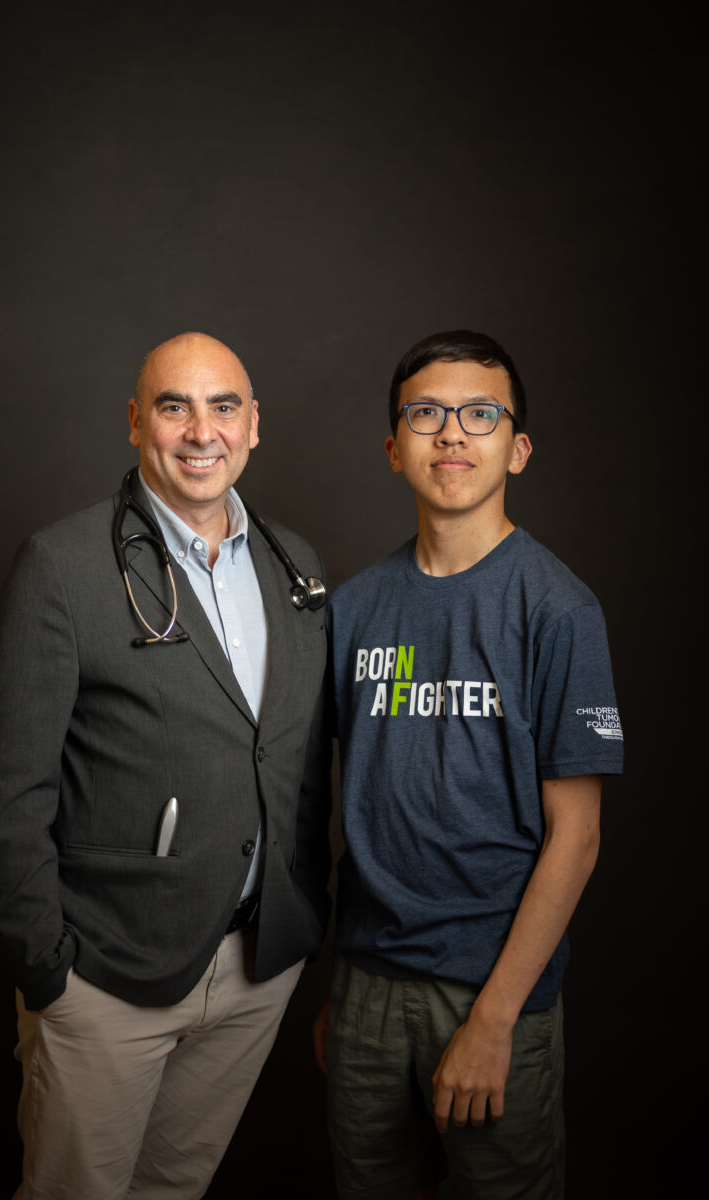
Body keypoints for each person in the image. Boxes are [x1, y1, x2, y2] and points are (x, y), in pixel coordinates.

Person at [0, 332, 331, 1200]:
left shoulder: (297, 569)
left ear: (254, 426)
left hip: (256, 969)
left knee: (174, 1188)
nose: (199, 431)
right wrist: (48, 973)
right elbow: (9, 796)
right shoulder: (62, 567)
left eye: (223, 407)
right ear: (137, 423)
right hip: (108, 974)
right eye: (174, 406)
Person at [314, 330, 623, 1200]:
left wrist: (495, 1018)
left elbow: (579, 835)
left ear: (516, 448)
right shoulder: (355, 609)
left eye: (480, 414)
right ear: (393, 447)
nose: (452, 434)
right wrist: (343, 985)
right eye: (426, 414)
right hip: (369, 985)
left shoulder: (559, 610)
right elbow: (347, 807)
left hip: (493, 988)